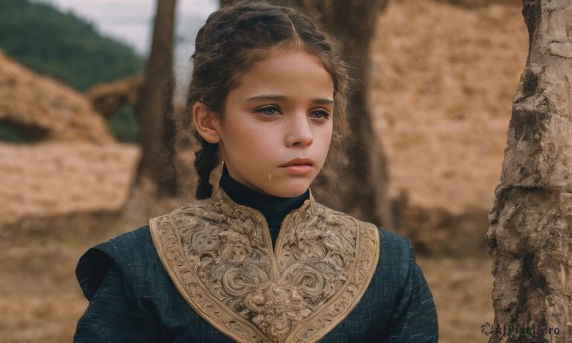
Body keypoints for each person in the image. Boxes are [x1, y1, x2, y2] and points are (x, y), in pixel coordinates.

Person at [73, 1, 438, 342]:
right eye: (269, 110)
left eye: (319, 113)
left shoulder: (389, 266)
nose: (302, 136)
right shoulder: (142, 267)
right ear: (208, 120)